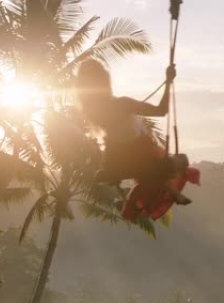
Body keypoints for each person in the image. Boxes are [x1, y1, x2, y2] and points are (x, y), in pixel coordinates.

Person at [75, 59, 194, 217]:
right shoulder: (123, 103)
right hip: (138, 158)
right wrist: (168, 81)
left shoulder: (91, 112)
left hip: (116, 162)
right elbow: (161, 110)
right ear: (105, 81)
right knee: (180, 161)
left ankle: (135, 200)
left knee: (156, 169)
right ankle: (138, 200)